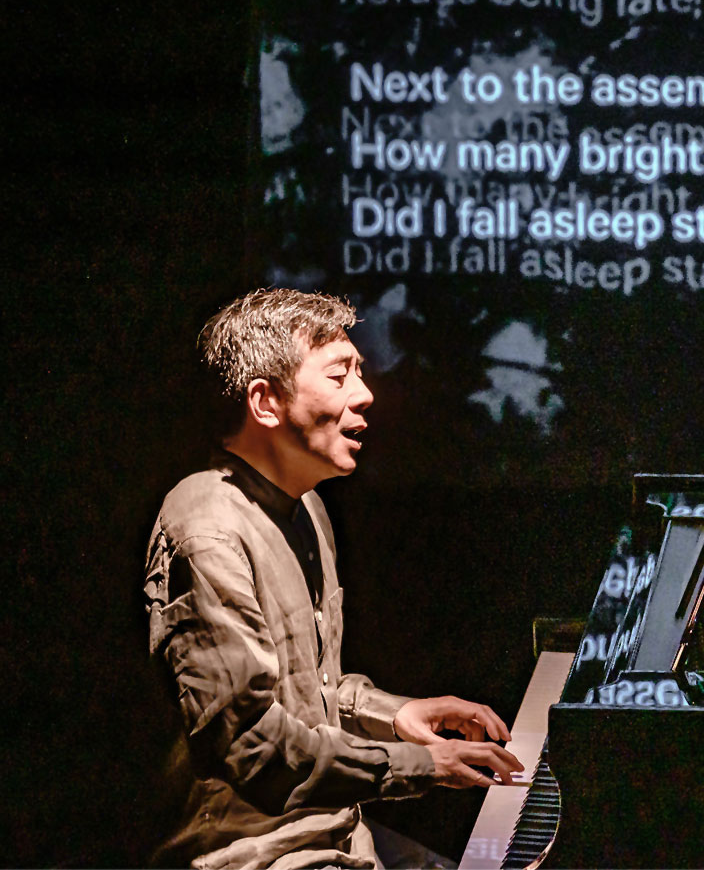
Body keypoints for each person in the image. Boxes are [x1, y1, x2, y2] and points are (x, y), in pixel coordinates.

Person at [144, 288, 523, 868]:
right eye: (339, 376)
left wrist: (394, 714)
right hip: (253, 856)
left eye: (360, 373)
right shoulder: (208, 530)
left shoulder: (308, 506)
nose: (365, 395)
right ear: (266, 403)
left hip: (339, 836)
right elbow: (256, 747)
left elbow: (309, 694)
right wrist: (424, 765)